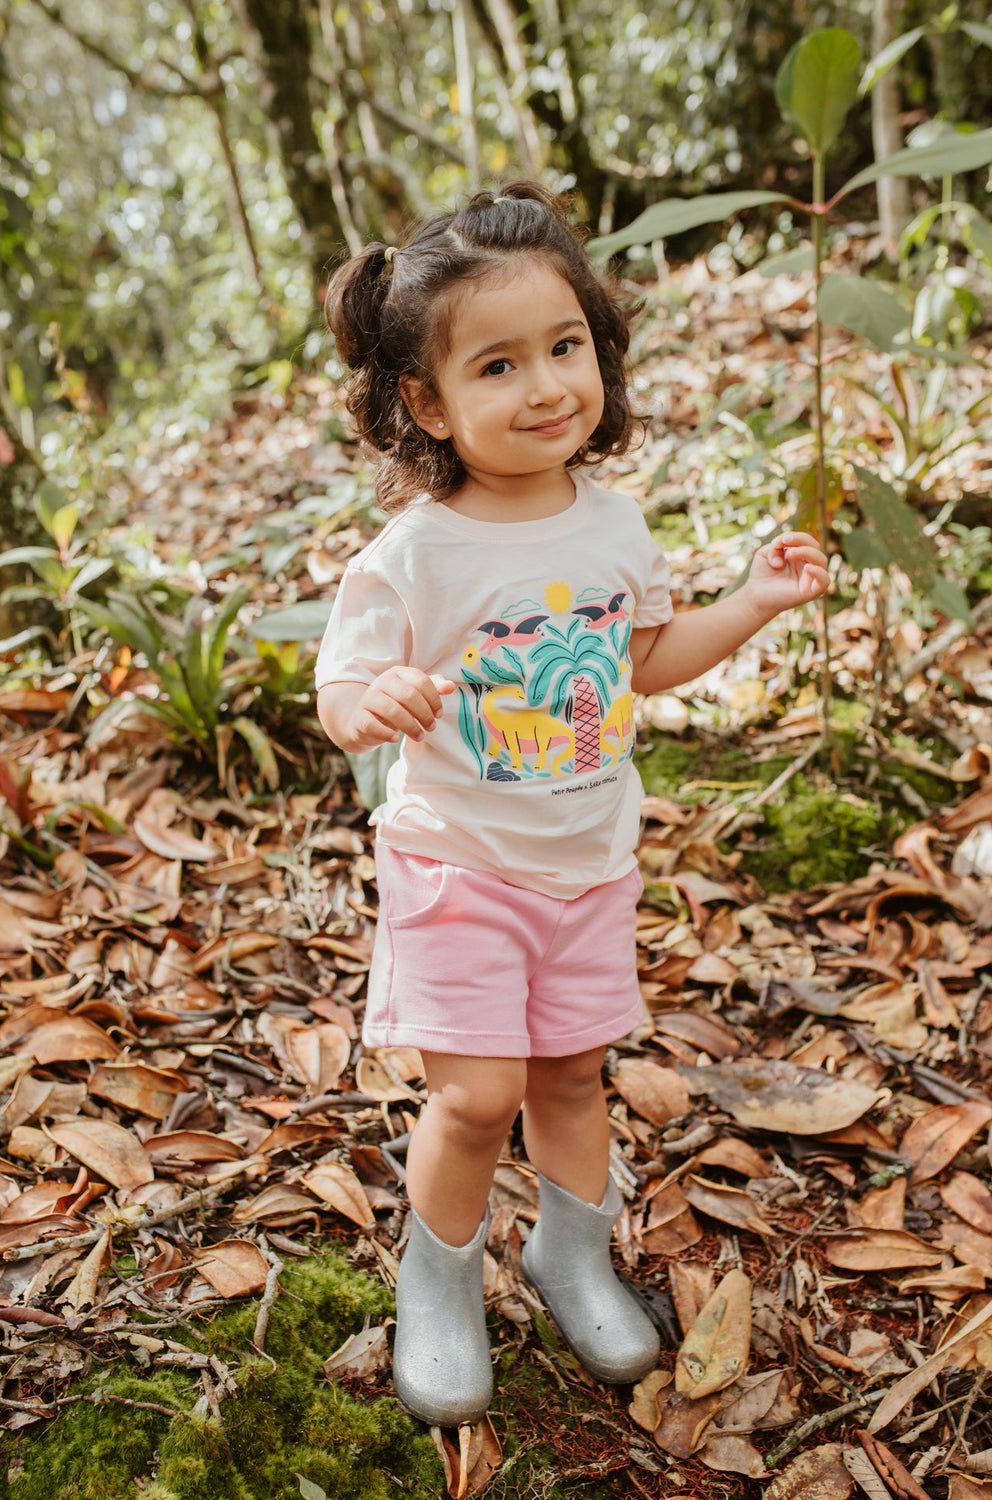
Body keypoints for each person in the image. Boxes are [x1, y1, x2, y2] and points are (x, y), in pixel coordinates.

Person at [315, 182, 829, 1427]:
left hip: (588, 864)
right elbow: (338, 687)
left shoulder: (612, 526)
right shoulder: (414, 552)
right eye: (497, 365)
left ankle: (569, 1253)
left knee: (571, 1076)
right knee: (475, 1095)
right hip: (459, 867)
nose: (546, 385)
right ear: (427, 403)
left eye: (565, 346)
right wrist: (374, 697)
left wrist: (748, 604)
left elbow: (641, 660)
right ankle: (437, 1283)